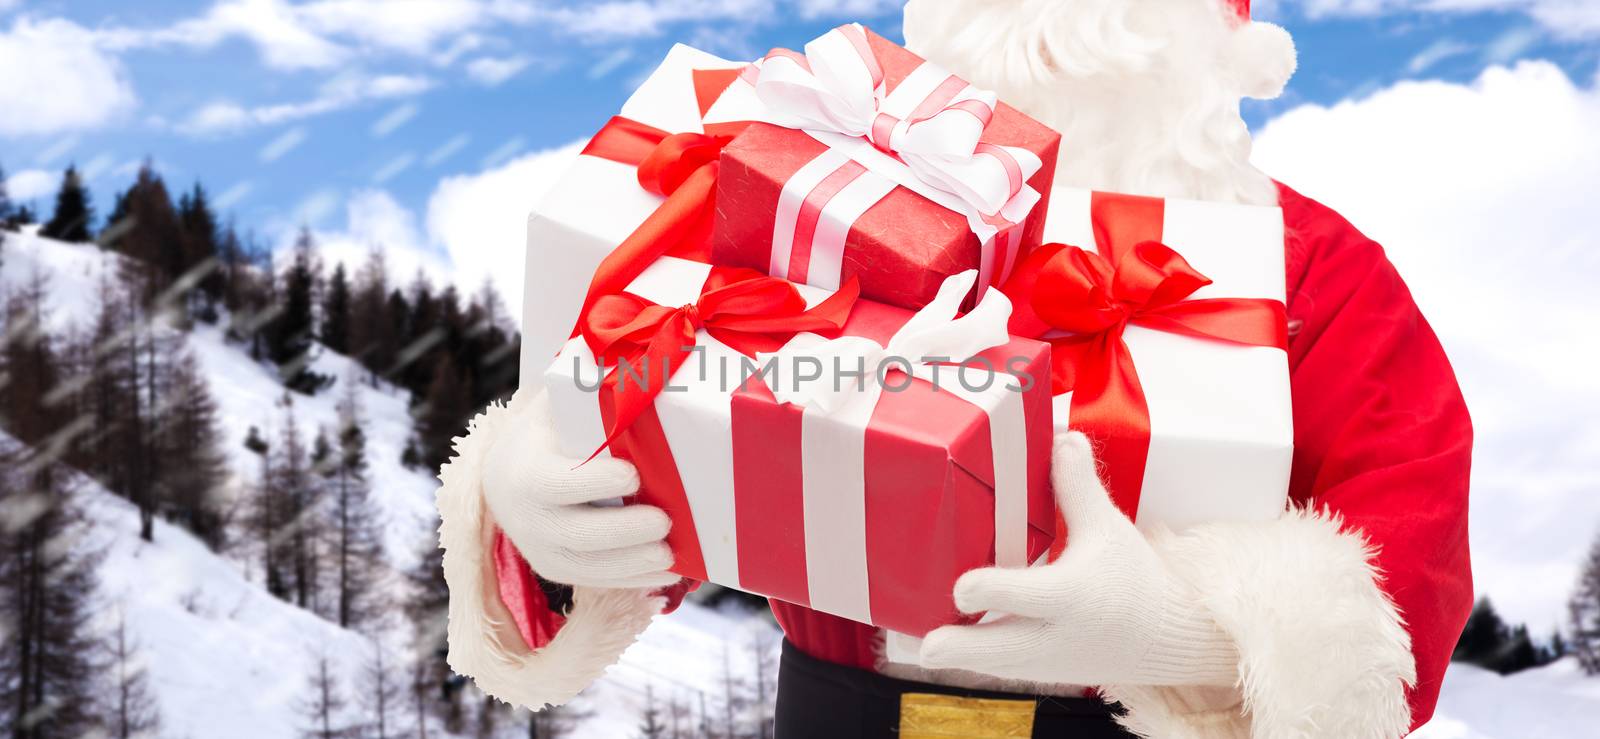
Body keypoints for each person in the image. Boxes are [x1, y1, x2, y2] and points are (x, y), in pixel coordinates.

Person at [435, 0, 1474, 736]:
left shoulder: (1311, 270)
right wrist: (540, 488)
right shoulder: (827, 199)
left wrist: (1178, 634)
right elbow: (682, 379)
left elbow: (1406, 568)